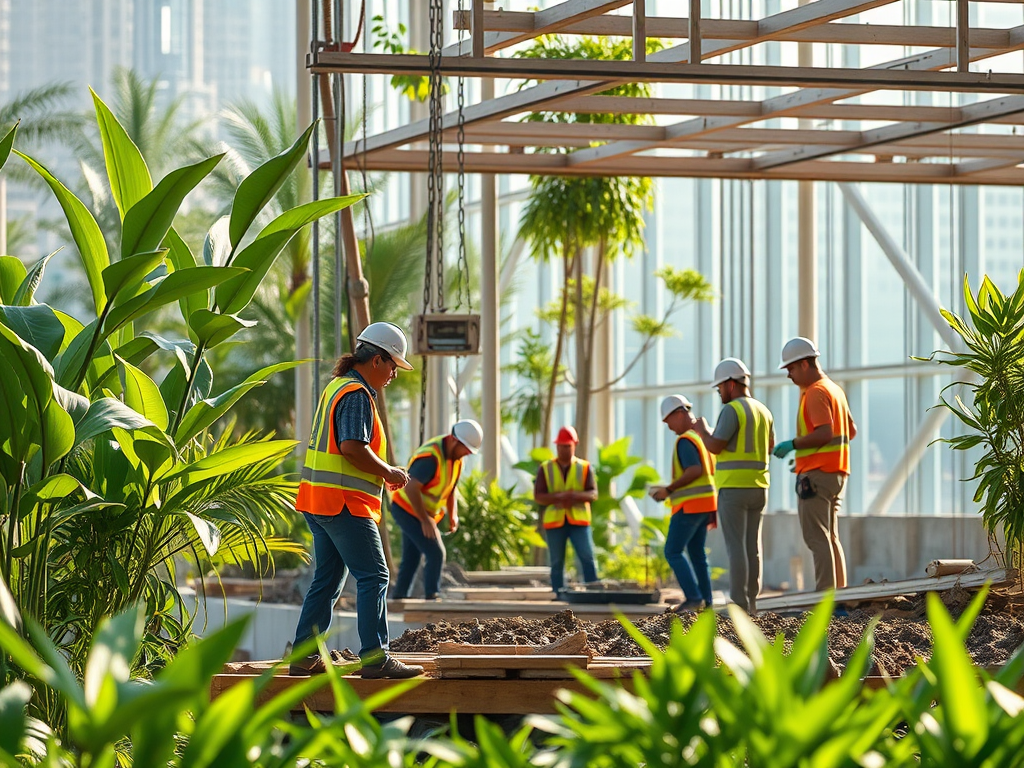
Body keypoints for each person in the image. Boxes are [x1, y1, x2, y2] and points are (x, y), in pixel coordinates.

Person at [290, 322, 423, 679]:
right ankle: (376, 658)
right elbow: (352, 448)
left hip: (320, 502)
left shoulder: (337, 387)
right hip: (344, 504)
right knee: (375, 576)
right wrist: (389, 472)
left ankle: (303, 657)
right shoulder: (356, 395)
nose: (395, 373)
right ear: (377, 360)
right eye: (394, 364)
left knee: (328, 581)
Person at [772, 337, 857, 592]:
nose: (789, 375)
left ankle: (825, 599)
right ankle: (840, 596)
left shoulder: (816, 392)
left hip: (818, 477)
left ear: (805, 364)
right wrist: (809, 456)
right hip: (836, 473)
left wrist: (795, 445)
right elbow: (850, 431)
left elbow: (824, 433)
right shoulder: (835, 390)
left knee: (816, 538)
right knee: (830, 537)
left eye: (791, 369)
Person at [694, 358, 774, 614]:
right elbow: (770, 446)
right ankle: (752, 603)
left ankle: (738, 605)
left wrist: (702, 431)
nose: (719, 393)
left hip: (733, 489)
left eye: (719, 389)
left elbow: (715, 445)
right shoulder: (764, 411)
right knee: (753, 546)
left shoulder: (732, 410)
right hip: (759, 487)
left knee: (736, 547)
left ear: (730, 384)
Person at [390, 419, 483, 600]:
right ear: (455, 441)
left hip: (420, 512)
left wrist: (452, 514)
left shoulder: (456, 460)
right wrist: (425, 520)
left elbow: (451, 488)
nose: (467, 454)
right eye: (466, 450)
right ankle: (433, 596)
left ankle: (398, 597)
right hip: (406, 509)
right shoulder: (430, 458)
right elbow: (410, 487)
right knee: (436, 552)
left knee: (412, 557)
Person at [651, 395, 717, 612]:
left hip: (690, 506)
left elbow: (694, 470)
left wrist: (668, 490)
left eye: (668, 420)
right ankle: (706, 602)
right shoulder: (700, 438)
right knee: (697, 554)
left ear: (679, 413)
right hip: (705, 505)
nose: (668, 426)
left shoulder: (685, 440)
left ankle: (693, 597)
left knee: (672, 551)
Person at [534, 426, 600, 596]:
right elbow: (539, 496)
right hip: (555, 522)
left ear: (574, 445)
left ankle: (592, 591)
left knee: (587, 557)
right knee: (556, 561)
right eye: (561, 446)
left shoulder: (584, 467)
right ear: (556, 446)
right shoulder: (546, 467)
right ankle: (558, 593)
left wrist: (573, 496)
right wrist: (558, 498)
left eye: (567, 446)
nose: (563, 449)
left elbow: (593, 494)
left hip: (579, 521)